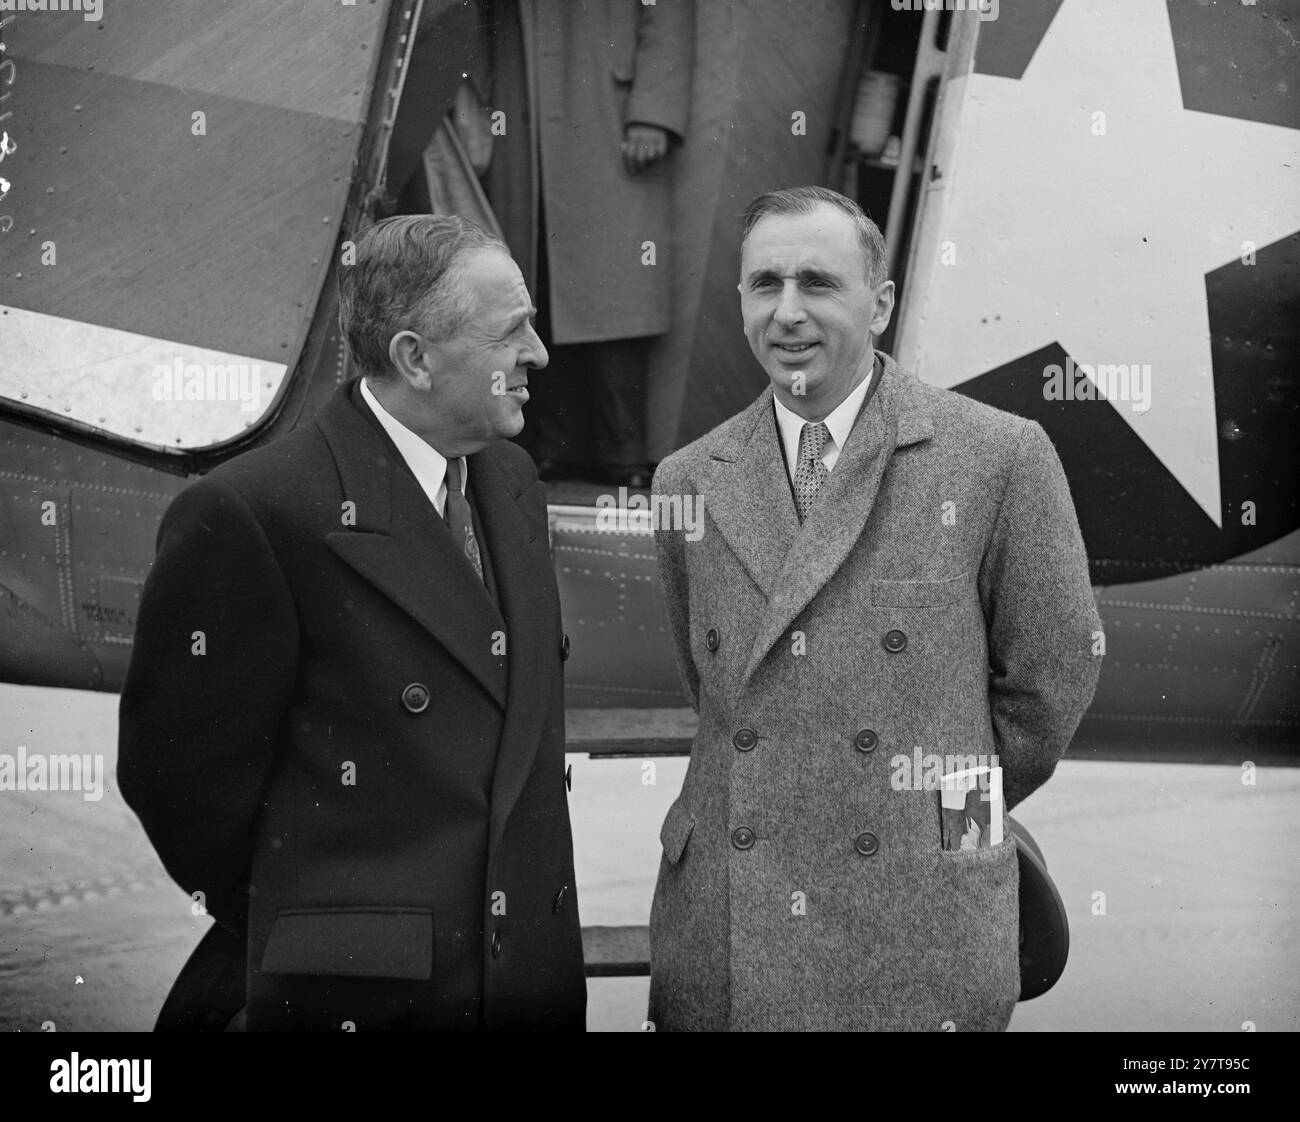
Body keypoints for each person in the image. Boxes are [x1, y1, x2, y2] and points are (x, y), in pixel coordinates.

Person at [646, 186, 1102, 1031]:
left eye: (818, 284)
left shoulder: (996, 458)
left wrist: (935, 817)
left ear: (880, 303)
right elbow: (709, 685)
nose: (787, 313)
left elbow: (1050, 681)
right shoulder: (688, 480)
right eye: (764, 285)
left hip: (918, 913)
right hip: (729, 921)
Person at [118, 215, 586, 1031]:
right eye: (511, 333)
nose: (539, 356)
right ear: (414, 358)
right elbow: (179, 785)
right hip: (363, 996)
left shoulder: (510, 482)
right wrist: (325, 919)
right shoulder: (251, 513)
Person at [487, 0, 694, 486]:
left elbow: (667, 13)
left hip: (603, 106)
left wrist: (653, 112)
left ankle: (621, 452)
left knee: (614, 292)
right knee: (541, 285)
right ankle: (554, 447)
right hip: (526, 110)